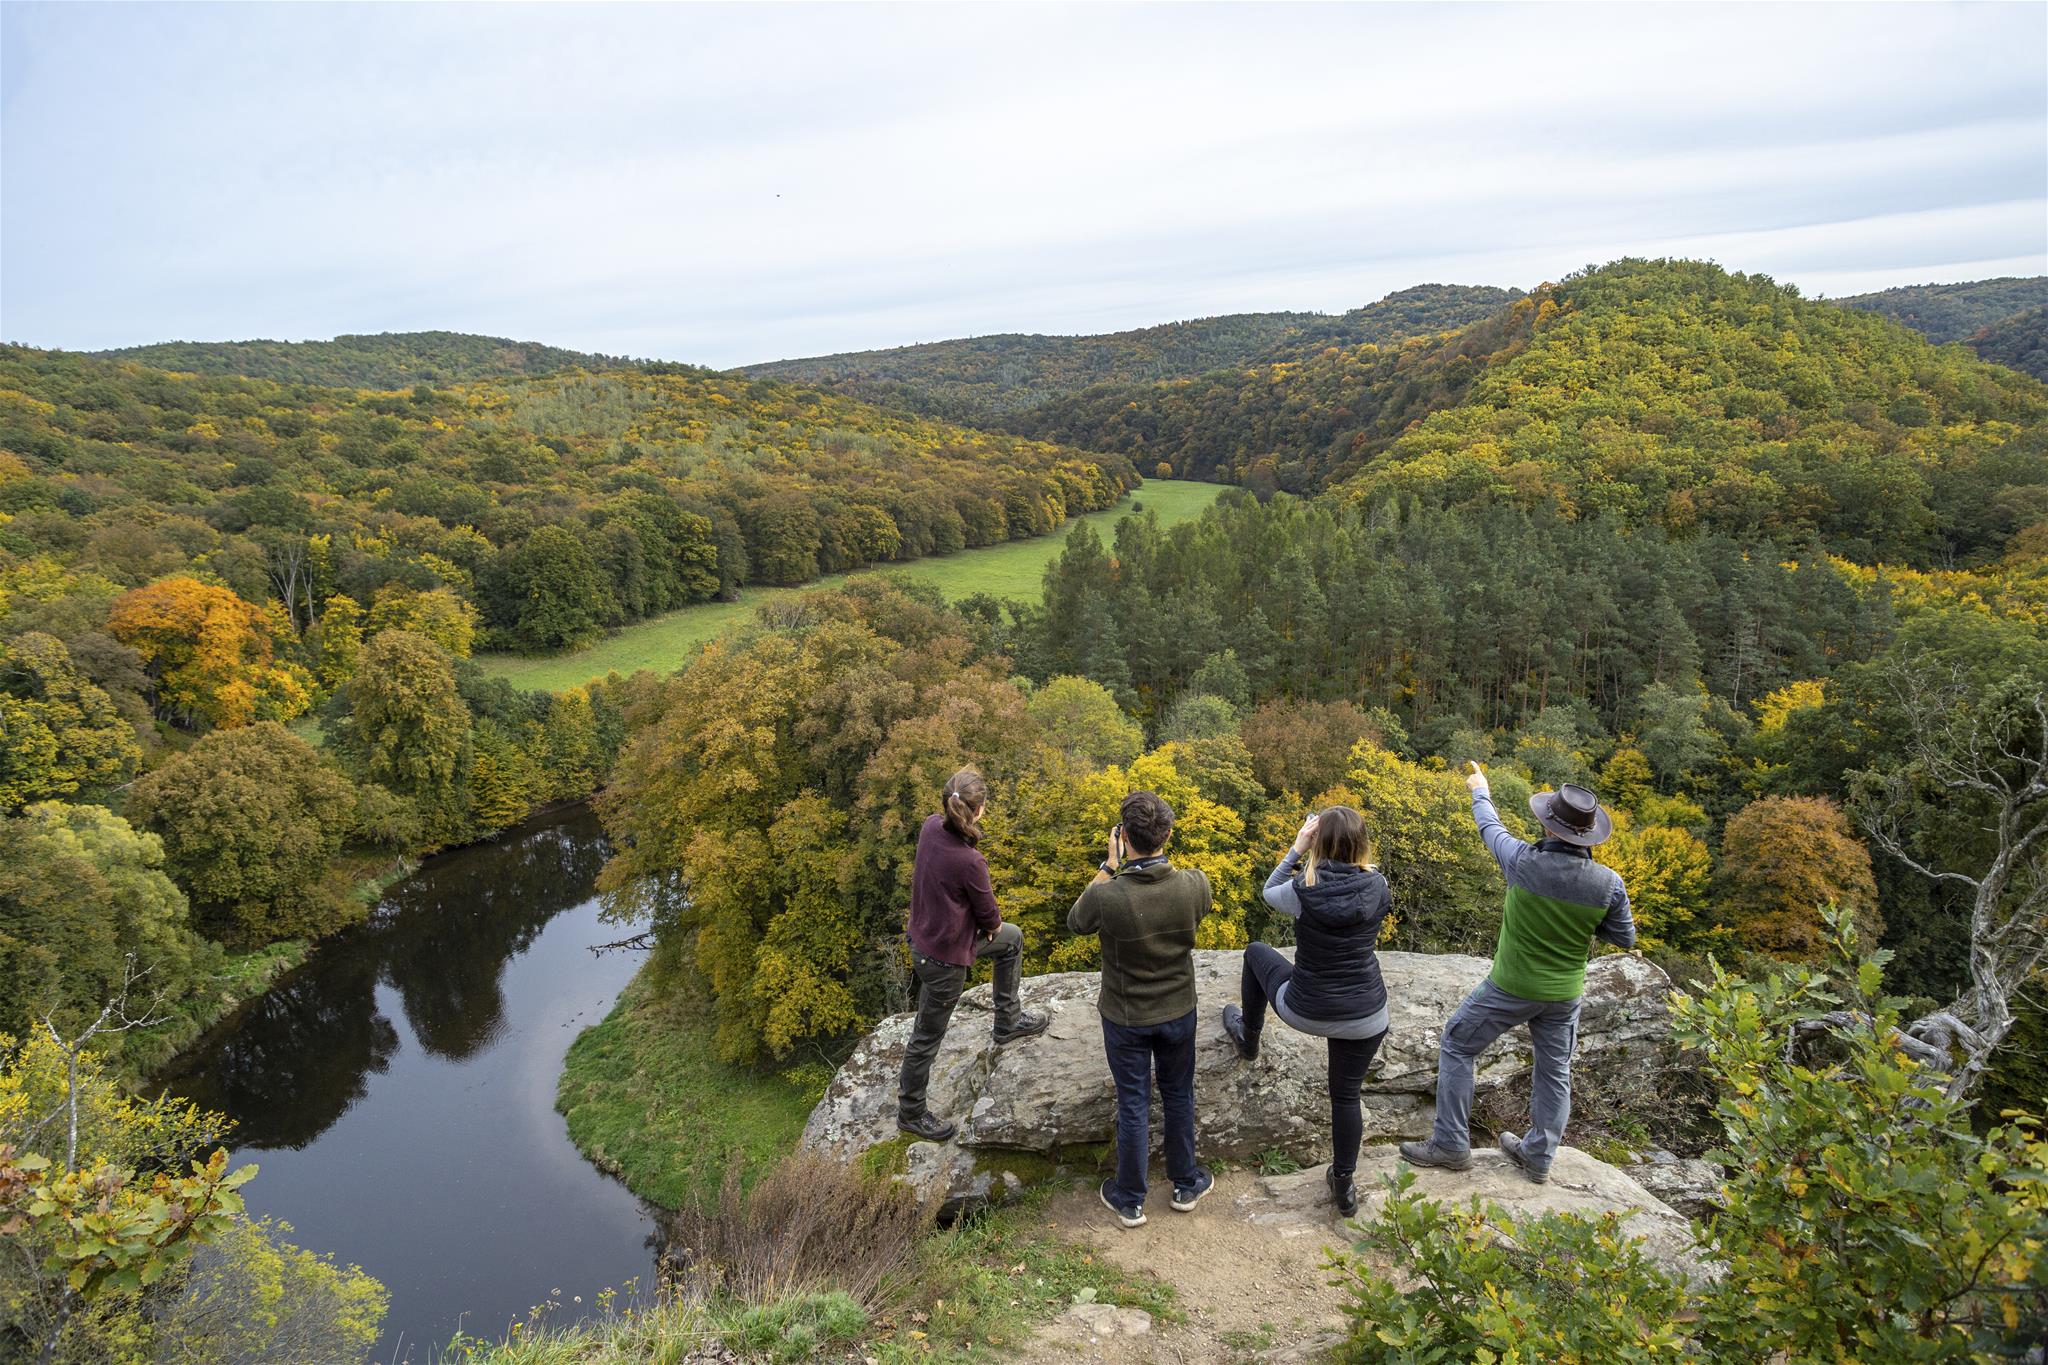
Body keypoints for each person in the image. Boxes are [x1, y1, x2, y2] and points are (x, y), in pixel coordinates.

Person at [1400, 764, 1636, 1184]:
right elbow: (1625, 938)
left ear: (1547, 827)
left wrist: (1480, 790)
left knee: (1457, 1044)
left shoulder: (1523, 862)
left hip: (1508, 987)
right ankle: (1538, 1157)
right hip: (1564, 994)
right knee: (1554, 1071)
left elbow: (1489, 827)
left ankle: (1452, 1144)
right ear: (1588, 835)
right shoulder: (1609, 883)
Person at [1220, 805, 1391, 1217]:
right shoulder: (1378, 885)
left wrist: (1297, 848)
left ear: (1320, 841)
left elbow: (1267, 891)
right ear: (1361, 844)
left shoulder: (1303, 888)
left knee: (1256, 953)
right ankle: (1344, 1183)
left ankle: (1249, 1036)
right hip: (1365, 1015)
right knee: (1345, 1095)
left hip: (1306, 1009)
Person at [1068, 790, 1215, 1228]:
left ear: (1124, 838)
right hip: (1177, 1009)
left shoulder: (1107, 896)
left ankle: (1130, 1198)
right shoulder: (1194, 884)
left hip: (1126, 1015)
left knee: (1133, 1103)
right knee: (1178, 1093)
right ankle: (1186, 1183)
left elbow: (1075, 922)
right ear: (1167, 834)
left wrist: (1110, 865)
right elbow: (1197, 912)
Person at [896, 768, 1048, 1142]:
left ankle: (1008, 1021)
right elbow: (990, 916)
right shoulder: (969, 861)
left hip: (923, 940)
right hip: (945, 959)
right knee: (926, 1037)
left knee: (1012, 939)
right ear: (977, 811)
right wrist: (989, 925)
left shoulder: (931, 827)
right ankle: (910, 1112)